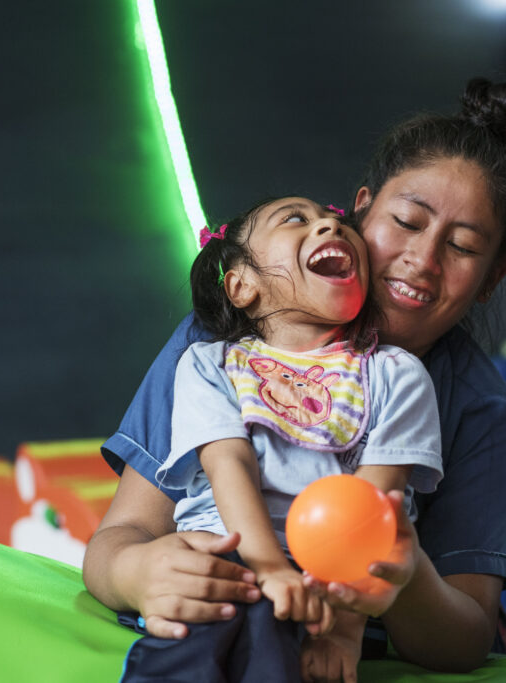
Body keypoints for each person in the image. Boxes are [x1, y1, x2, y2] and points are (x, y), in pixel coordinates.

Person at [83, 76, 506, 681]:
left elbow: (466, 637)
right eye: (407, 221)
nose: (423, 259)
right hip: (234, 611)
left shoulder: (481, 410)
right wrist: (137, 573)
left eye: (461, 247)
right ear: (358, 209)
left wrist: (399, 580)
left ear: (492, 278)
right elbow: (120, 537)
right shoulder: (223, 347)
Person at [117, 197, 445, 680]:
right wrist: (268, 568)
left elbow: (374, 506)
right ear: (242, 285)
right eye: (296, 219)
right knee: (228, 626)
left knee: (272, 634)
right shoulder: (209, 365)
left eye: (336, 221)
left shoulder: (398, 376)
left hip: (326, 577)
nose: (329, 225)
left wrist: (343, 630)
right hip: (222, 557)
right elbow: (228, 462)